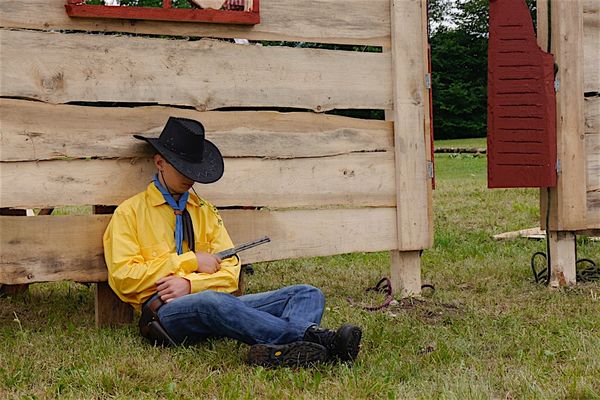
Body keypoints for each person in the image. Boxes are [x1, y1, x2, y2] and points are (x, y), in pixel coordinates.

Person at [103, 116, 362, 367]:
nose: (190, 176)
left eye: (194, 168)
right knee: (213, 301)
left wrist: (190, 284)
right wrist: (190, 261)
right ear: (159, 162)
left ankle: (284, 353)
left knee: (307, 293)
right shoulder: (130, 213)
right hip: (165, 314)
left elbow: (231, 273)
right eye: (182, 167)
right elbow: (124, 278)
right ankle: (317, 340)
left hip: (216, 305)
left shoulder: (204, 211)